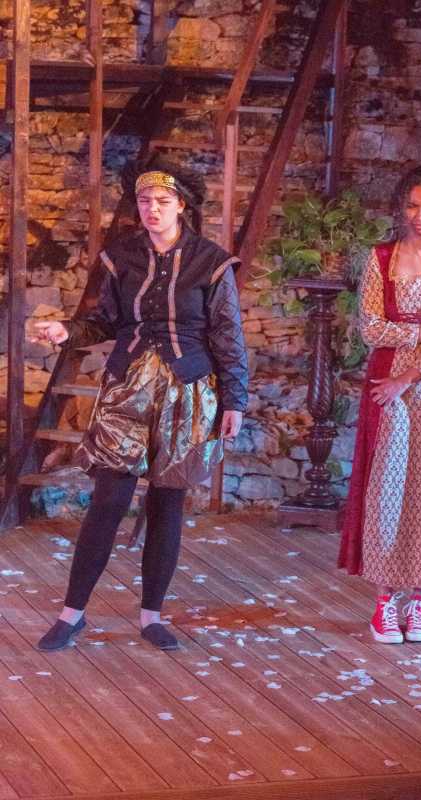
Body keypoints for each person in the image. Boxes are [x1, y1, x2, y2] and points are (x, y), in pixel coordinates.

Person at [32, 158, 248, 651]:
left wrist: (235, 400)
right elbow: (105, 321)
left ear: (182, 206)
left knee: (166, 503)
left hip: (186, 392)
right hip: (127, 388)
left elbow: (227, 334)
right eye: (145, 201)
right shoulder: (120, 257)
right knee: (108, 500)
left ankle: (151, 616)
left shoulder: (210, 262)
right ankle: (71, 615)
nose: (152, 209)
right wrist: (67, 331)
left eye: (163, 202)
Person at [338, 164, 421, 644]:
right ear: (401, 207)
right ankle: (383, 601)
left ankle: (419, 602)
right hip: (386, 384)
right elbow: (372, 328)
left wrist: (409, 376)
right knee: (388, 488)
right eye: (413, 206)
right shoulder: (382, 259)